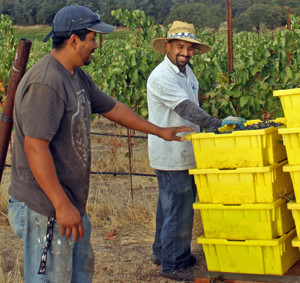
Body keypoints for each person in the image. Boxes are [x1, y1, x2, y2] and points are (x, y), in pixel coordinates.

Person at [7, 6, 194, 283]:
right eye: (93, 39)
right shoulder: (47, 83)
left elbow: (113, 108)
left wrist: (158, 131)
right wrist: (60, 205)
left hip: (68, 204)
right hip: (44, 207)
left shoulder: (76, 76)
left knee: (80, 273)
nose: (97, 45)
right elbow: (36, 148)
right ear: (74, 40)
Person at [147, 21, 246, 282]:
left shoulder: (187, 73)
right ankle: (174, 265)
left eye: (190, 48)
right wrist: (216, 124)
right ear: (167, 46)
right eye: (180, 47)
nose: (186, 53)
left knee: (169, 206)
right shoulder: (162, 76)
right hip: (171, 152)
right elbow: (186, 110)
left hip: (185, 150)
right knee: (179, 209)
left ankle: (162, 253)